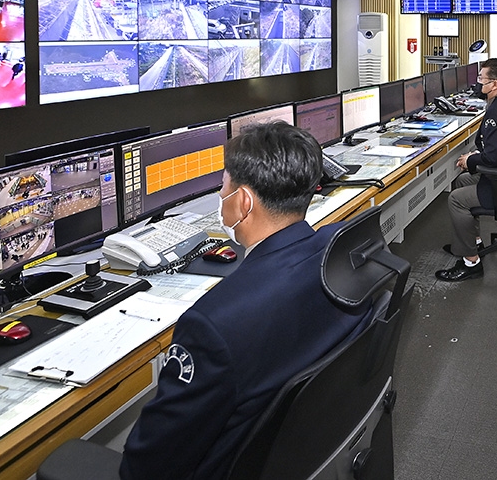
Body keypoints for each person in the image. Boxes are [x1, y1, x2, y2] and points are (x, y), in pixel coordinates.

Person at [121, 122, 373, 480]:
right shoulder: (340, 250)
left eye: (223, 184)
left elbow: (147, 467)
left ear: (243, 201)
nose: (220, 192)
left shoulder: (211, 326)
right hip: (310, 449)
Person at [436, 58, 497, 282]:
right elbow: (496, 148)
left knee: (456, 199)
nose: (478, 82)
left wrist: (470, 159)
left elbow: (492, 157)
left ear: (494, 84)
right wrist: (474, 156)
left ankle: (471, 262)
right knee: (462, 181)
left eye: (482, 79)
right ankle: (474, 242)